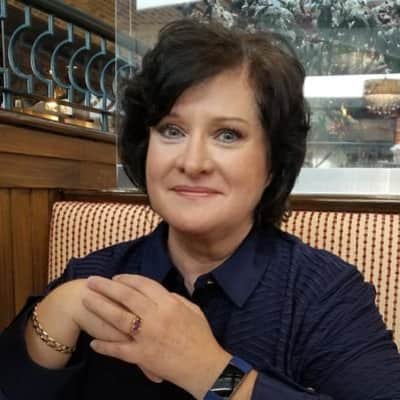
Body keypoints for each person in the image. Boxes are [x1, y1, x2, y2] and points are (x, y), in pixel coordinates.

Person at [0, 19, 399, 400]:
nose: (193, 162)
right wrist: (60, 307)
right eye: (172, 130)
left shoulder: (322, 293)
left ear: (273, 162)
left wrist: (209, 371)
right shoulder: (94, 278)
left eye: (227, 135)